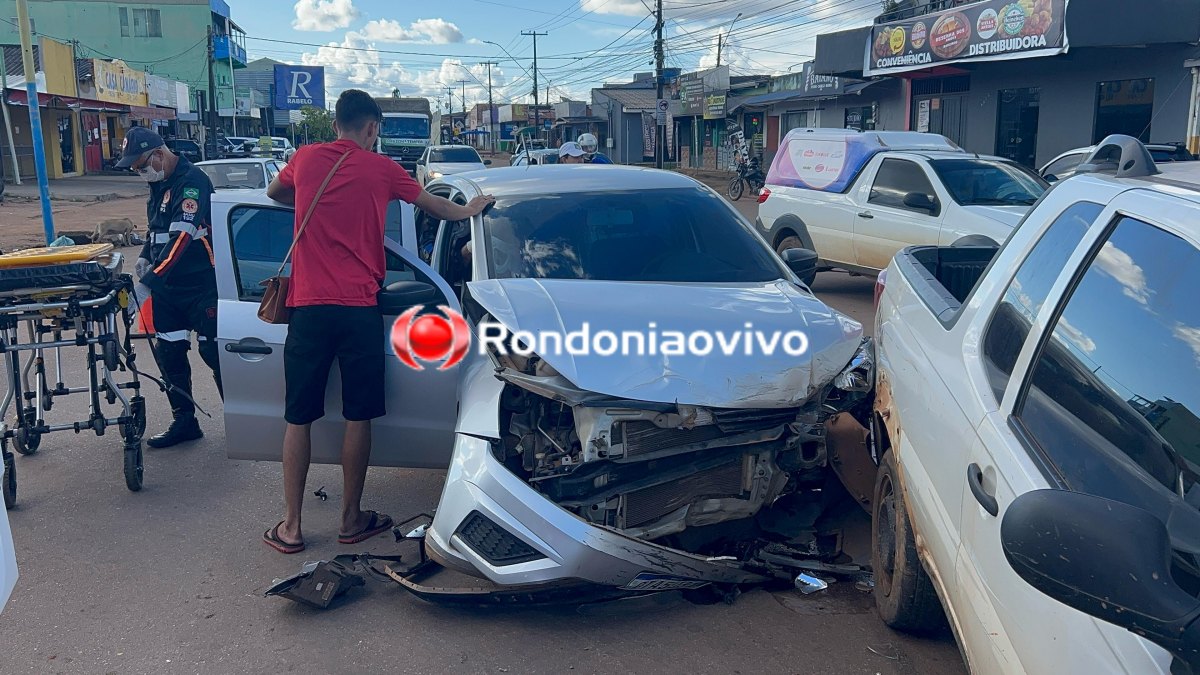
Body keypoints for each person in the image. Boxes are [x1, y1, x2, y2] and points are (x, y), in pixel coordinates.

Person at [262, 89, 494, 554]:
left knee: (297, 418)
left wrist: (310, 200)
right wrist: (469, 211)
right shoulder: (383, 169)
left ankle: (292, 526)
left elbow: (274, 193)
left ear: (335, 125)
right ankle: (351, 519)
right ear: (372, 128)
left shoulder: (305, 159)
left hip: (308, 308)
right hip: (359, 310)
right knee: (359, 415)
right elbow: (433, 205)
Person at [116, 127, 223, 449]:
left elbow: (181, 238)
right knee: (170, 354)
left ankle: (242, 419)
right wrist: (145, 256)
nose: (140, 173)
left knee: (214, 352)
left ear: (159, 155)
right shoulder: (159, 183)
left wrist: (147, 284)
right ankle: (185, 421)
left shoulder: (192, 182)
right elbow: (157, 231)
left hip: (201, 284)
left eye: (141, 166)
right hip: (169, 289)